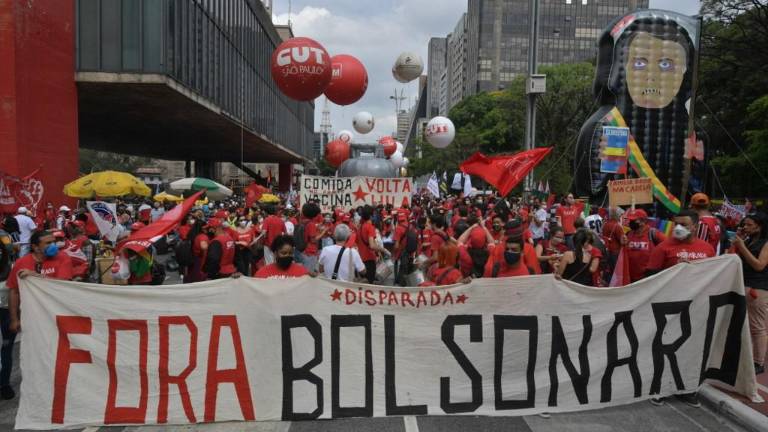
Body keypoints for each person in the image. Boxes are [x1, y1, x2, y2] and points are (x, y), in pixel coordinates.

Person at [645, 209, 716, 409]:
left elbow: (713, 274)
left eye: (684, 224)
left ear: (695, 226)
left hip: (697, 307)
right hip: (669, 307)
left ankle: (687, 389)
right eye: (676, 223)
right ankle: (659, 388)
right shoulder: (663, 247)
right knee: (664, 347)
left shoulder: (707, 249)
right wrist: (674, 271)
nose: (678, 228)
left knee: (691, 349)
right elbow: (650, 277)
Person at [5, 230, 74, 399]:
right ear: (35, 247)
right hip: (33, 319)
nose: (53, 245)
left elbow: (63, 285)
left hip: (58, 316)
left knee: (60, 351)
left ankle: (63, 385)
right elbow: (13, 291)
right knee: (37, 353)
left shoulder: (63, 258)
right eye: (48, 243)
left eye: (54, 242)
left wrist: (35, 276)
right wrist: (14, 319)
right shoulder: (22, 263)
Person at [729, 213, 768, 374]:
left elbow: (759, 265)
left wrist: (742, 247)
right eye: (744, 224)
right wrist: (737, 242)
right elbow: (731, 257)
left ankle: (758, 362)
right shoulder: (748, 240)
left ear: (759, 226)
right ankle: (743, 357)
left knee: (757, 326)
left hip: (757, 288)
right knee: (741, 323)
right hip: (743, 284)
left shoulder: (765, 243)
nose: (745, 227)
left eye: (749, 224)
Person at [624, 209, 665, 283]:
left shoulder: (654, 233)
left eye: (633, 220)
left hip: (648, 279)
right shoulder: (628, 234)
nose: (630, 222)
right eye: (630, 220)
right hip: (631, 279)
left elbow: (667, 247)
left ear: (643, 221)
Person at [357, 205, 390, 284]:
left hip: (361, 258)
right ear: (371, 216)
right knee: (369, 283)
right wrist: (383, 250)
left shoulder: (360, 227)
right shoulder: (370, 227)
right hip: (369, 259)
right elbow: (372, 245)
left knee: (363, 283)